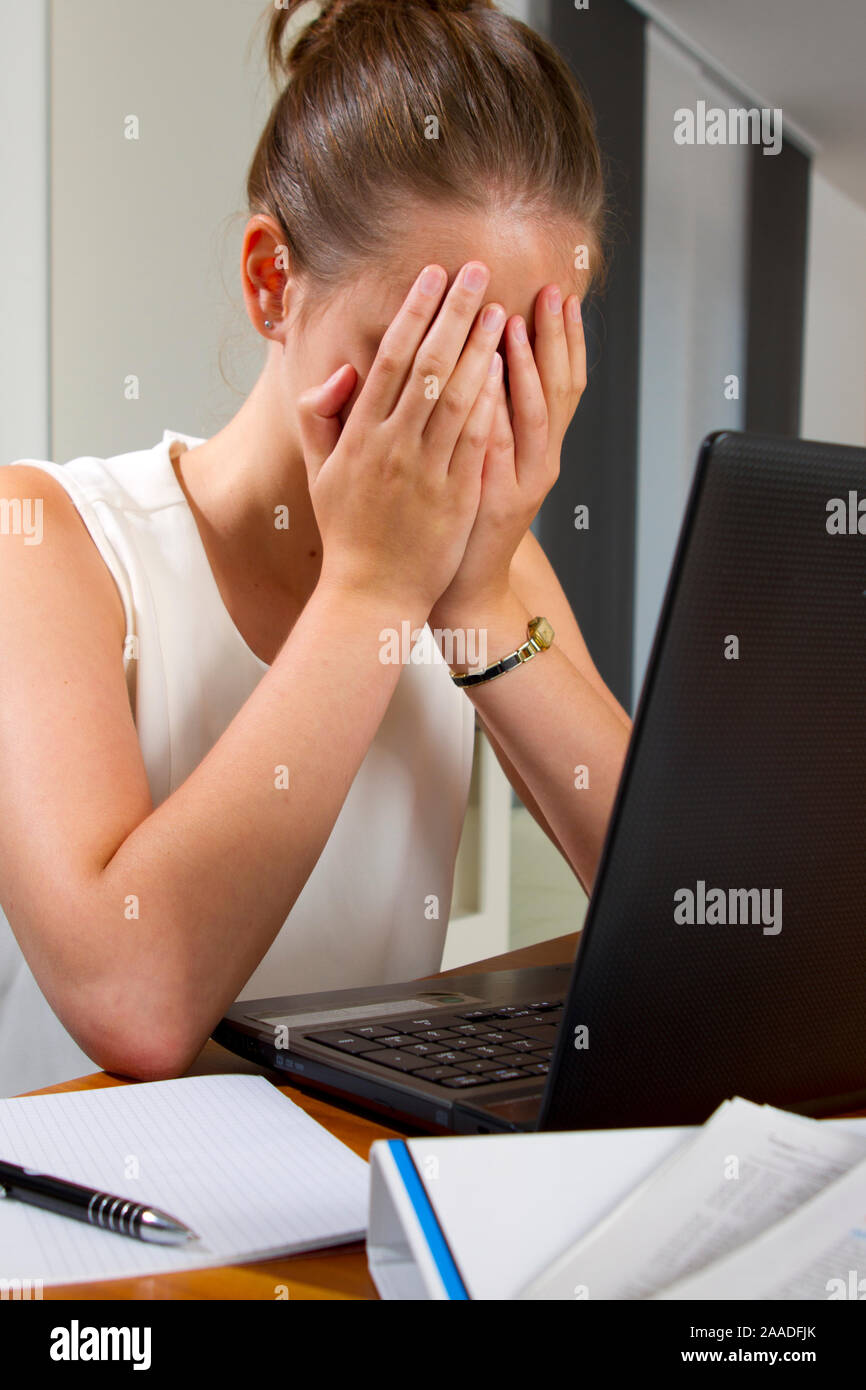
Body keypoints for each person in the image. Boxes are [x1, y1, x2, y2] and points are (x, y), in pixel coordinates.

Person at [0, 0, 631, 1097]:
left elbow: (686, 915)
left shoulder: (484, 562)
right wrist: (374, 588)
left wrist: (476, 601)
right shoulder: (48, 541)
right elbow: (132, 1004)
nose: (467, 420)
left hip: (357, 1188)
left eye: (519, 366)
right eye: (419, 358)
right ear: (269, 285)